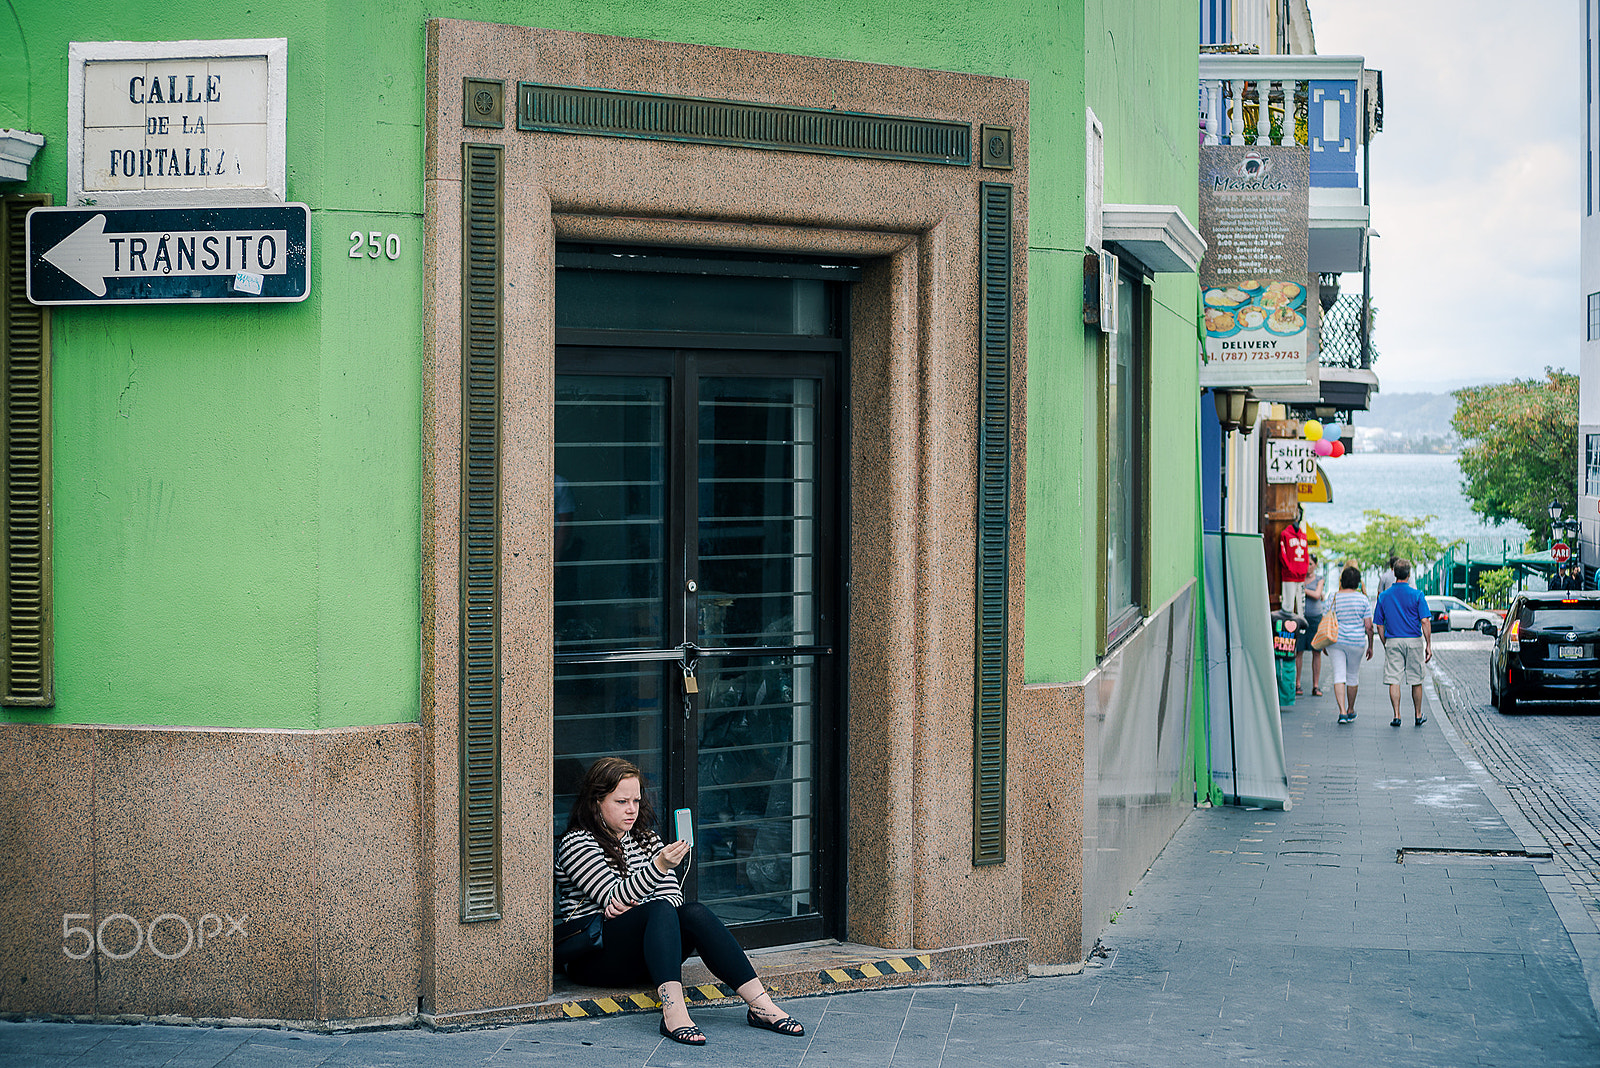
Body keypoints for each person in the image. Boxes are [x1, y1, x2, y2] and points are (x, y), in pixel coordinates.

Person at [554, 757, 804, 1046]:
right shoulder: (577, 843)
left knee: (693, 912)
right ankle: (674, 1013)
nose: (632, 809)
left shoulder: (646, 839)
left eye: (636, 800)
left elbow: (674, 896)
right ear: (597, 802)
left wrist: (639, 904)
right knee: (658, 909)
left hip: (647, 953)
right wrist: (656, 871)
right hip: (594, 958)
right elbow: (613, 896)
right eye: (621, 801)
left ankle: (761, 1006)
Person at [1372, 558, 1432, 727]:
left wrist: (1385, 642)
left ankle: (1397, 715)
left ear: (1394, 573)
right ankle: (1418, 714)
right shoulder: (1417, 595)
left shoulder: (1384, 596)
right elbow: (1425, 621)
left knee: (1394, 679)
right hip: (1413, 640)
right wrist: (1428, 644)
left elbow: (1379, 624)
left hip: (1393, 640)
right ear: (1409, 574)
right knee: (1416, 679)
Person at [1326, 564, 1375, 724]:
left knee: (1339, 675)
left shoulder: (1332, 597)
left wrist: (1324, 645)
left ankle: (1341, 712)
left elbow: (1324, 620)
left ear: (1342, 580)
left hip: (1335, 641)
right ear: (1358, 582)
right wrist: (1370, 646)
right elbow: (1368, 626)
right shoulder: (1363, 599)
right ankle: (1350, 709)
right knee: (1352, 675)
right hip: (1356, 642)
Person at [1295, 556, 1326, 697]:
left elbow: (1317, 594)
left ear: (1316, 565)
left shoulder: (1319, 579)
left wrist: (1302, 589)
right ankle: (1297, 684)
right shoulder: (1299, 578)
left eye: (1311, 564)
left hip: (1315, 618)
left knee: (1316, 651)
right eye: (1306, 564)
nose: (1308, 566)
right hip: (1300, 617)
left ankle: (1315, 686)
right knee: (1299, 651)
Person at [1278, 509, 1310, 615]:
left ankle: (1301, 628)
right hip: (1289, 575)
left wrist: (1304, 570)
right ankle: (1287, 629)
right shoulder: (1285, 534)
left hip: (1300, 576)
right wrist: (1289, 568)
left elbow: (1306, 555)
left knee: (1301, 605)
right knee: (1288, 604)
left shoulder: (1304, 536)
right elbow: (1283, 553)